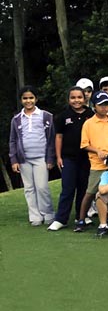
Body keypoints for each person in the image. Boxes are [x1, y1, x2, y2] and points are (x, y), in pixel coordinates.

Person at [76, 91, 108, 232]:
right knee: (90, 192)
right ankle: (81, 219)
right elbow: (84, 144)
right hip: (97, 165)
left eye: (107, 104)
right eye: (101, 105)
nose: (104, 107)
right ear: (94, 106)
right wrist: (98, 151)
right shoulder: (88, 124)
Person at [48, 87, 94, 231]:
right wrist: (59, 157)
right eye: (73, 98)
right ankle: (61, 219)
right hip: (68, 158)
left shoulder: (91, 114)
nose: (76, 100)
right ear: (68, 99)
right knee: (67, 189)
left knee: (83, 188)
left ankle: (81, 216)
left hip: (86, 158)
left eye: (79, 97)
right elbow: (59, 137)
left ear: (84, 98)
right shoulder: (63, 116)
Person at [9, 85, 56, 226]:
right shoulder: (16, 119)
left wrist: (50, 158)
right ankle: (35, 216)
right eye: (25, 98)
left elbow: (52, 139)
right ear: (21, 100)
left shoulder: (46, 116)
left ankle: (47, 213)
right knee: (29, 188)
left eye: (31, 98)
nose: (28, 101)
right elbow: (12, 140)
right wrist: (14, 160)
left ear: (36, 99)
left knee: (42, 187)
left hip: (41, 157)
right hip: (24, 159)